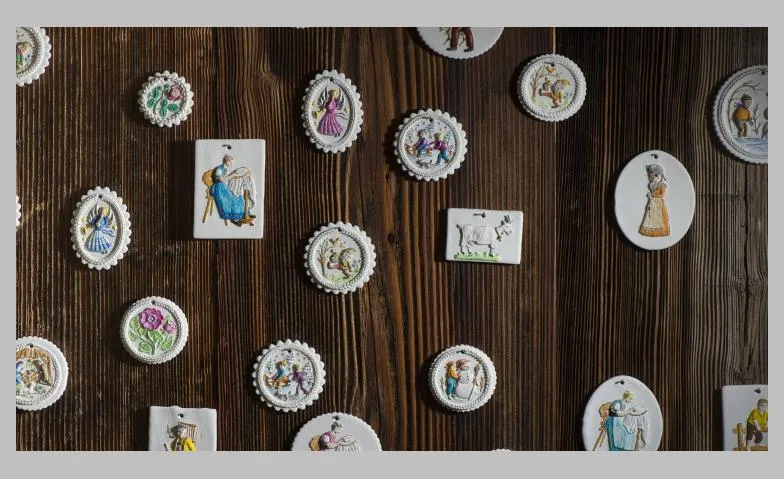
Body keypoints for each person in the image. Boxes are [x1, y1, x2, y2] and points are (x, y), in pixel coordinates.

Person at [209, 154, 256, 227]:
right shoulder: (219, 169)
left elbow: (224, 179)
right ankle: (234, 218)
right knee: (232, 199)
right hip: (217, 188)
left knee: (239, 197)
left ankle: (245, 213)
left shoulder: (225, 168)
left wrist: (233, 176)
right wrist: (232, 175)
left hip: (222, 186)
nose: (231, 164)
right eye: (231, 162)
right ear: (227, 161)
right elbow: (221, 180)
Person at [639, 164, 670, 237]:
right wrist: (651, 195)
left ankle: (659, 231)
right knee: (650, 216)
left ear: (658, 176)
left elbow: (662, 195)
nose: (650, 178)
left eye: (651, 177)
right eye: (649, 177)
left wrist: (652, 195)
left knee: (658, 217)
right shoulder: (652, 184)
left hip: (659, 203)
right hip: (652, 202)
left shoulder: (662, 185)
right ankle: (650, 230)